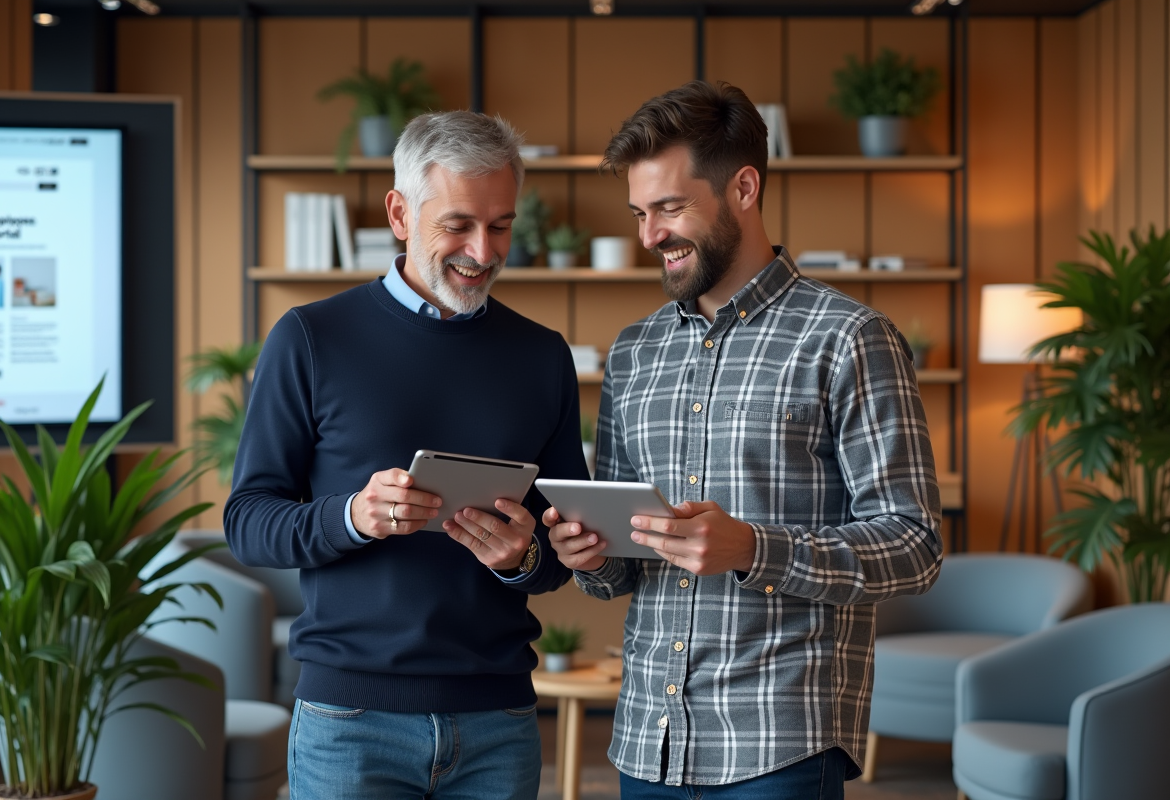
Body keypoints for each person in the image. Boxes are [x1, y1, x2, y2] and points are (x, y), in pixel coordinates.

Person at [544, 81, 943, 799]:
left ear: (745, 188)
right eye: (639, 212)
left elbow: (915, 545)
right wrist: (592, 555)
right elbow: (622, 569)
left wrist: (754, 548)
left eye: (670, 208)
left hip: (780, 741)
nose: (649, 236)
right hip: (648, 740)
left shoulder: (849, 339)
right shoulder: (635, 351)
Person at [224, 111, 589, 800]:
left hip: (498, 721)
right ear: (399, 211)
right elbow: (249, 522)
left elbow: (558, 553)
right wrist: (353, 516)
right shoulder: (308, 338)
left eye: (501, 224)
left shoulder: (542, 356)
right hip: (349, 723)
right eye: (458, 224)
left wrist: (524, 558)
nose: (483, 249)